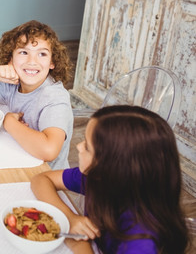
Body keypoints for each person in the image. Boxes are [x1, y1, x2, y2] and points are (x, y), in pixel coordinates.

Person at [31, 106, 190, 253]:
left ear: (112, 166)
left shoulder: (141, 242)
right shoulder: (99, 179)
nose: (79, 146)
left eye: (87, 147)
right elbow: (41, 179)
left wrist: (79, 244)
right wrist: (70, 218)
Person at [0, 20, 73, 169]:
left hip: (45, 175)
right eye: (23, 52)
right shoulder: (11, 83)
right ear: (10, 59)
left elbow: (49, 151)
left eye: (42, 54)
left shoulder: (54, 97)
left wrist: (9, 122)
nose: (32, 61)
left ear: (52, 62)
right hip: (19, 158)